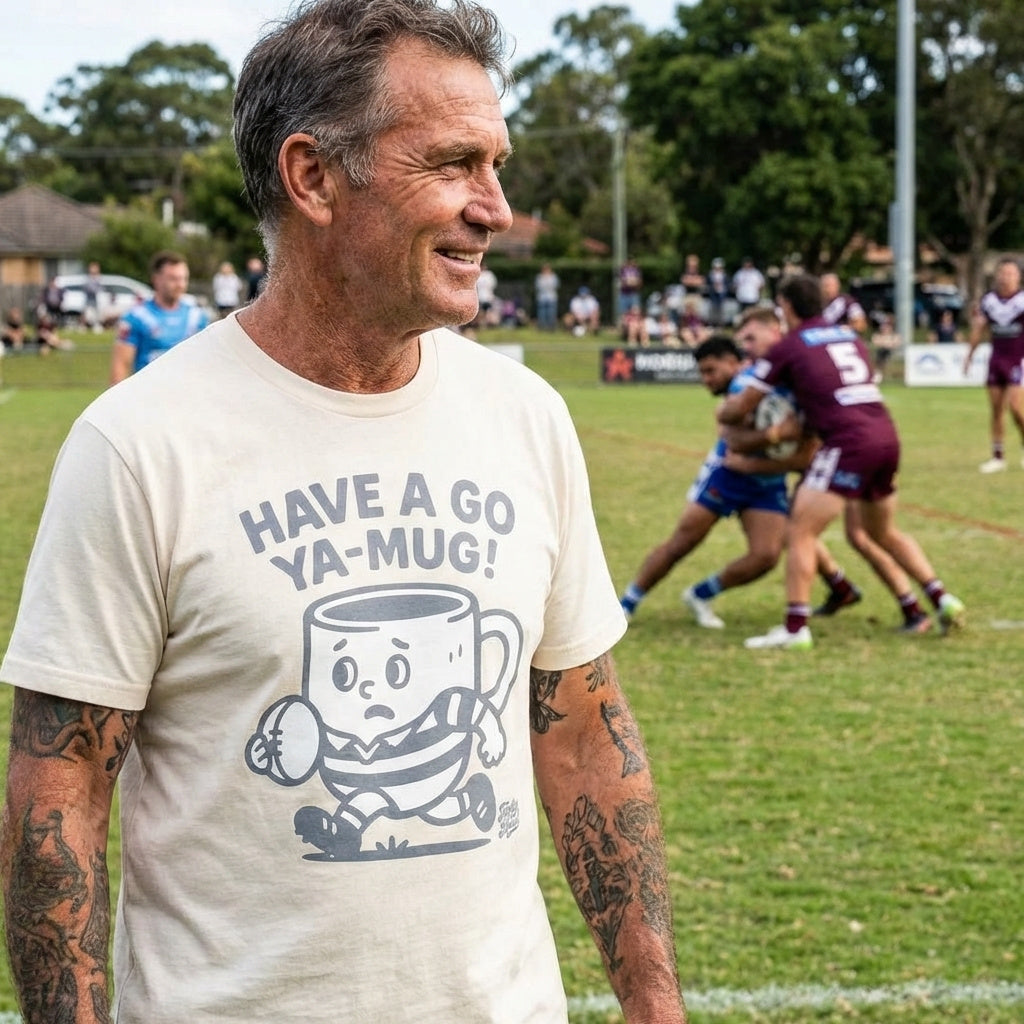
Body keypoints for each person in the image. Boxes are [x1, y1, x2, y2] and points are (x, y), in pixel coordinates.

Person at [0, 4, 686, 1024]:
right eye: (453, 163)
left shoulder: (524, 416)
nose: (493, 206)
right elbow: (59, 787)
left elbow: (585, 735)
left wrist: (654, 1003)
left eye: (496, 165)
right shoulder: (139, 443)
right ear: (314, 176)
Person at [719, 274, 965, 649]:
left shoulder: (790, 346)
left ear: (785, 306)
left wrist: (725, 414)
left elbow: (743, 406)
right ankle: (942, 599)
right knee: (883, 532)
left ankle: (795, 627)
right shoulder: (849, 336)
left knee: (800, 531)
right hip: (885, 435)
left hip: (847, 442)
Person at [620, 334, 812, 628]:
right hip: (726, 475)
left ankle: (700, 594)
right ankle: (626, 605)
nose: (705, 379)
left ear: (733, 362)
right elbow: (733, 440)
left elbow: (805, 452)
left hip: (767, 483)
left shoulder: (796, 388)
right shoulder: (741, 387)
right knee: (683, 542)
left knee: (766, 556)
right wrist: (777, 435)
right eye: (702, 372)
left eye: (710, 370)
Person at [109, 250, 210, 386]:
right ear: (156, 279)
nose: (180, 284)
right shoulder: (136, 317)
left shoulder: (197, 316)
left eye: (183, 279)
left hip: (186, 397)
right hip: (149, 395)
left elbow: (206, 362)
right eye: (173, 279)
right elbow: (121, 365)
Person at [963, 256, 1024, 473]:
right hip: (996, 360)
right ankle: (997, 457)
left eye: (1010, 273)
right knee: (996, 410)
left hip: (1018, 361)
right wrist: (969, 356)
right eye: (1002, 273)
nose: (1005, 277)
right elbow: (979, 330)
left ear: (1018, 277)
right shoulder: (988, 301)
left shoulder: (1022, 301)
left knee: (1017, 408)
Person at [534, 262, 559, 330]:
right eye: (544, 269)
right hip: (542, 298)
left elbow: (555, 286)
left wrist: (547, 283)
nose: (546, 270)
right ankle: (542, 327)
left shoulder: (553, 276)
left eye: (547, 269)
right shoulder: (539, 277)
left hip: (551, 297)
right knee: (542, 314)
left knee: (551, 313)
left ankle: (551, 327)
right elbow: (538, 286)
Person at [82, 260, 103, 330]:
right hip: (88, 298)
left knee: (96, 313)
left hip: (96, 299)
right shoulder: (88, 278)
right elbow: (87, 288)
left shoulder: (98, 278)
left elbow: (99, 288)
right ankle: (83, 326)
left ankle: (96, 326)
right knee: (87, 313)